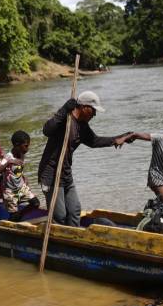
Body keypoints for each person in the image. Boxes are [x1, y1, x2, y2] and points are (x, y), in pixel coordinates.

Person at [38, 91, 132, 227]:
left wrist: (120, 137)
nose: (94, 114)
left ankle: (75, 239)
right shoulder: (66, 119)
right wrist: (64, 109)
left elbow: (94, 141)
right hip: (52, 174)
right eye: (93, 111)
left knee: (75, 210)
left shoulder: (82, 126)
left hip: (65, 173)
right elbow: (47, 130)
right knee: (60, 215)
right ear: (84, 107)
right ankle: (61, 242)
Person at [0, 130, 40, 222]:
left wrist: (24, 177)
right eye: (26, 146)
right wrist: (9, 162)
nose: (27, 148)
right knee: (14, 217)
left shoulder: (22, 154)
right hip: (10, 191)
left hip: (21, 188)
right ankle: (10, 226)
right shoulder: (8, 157)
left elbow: (17, 170)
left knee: (35, 203)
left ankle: (20, 214)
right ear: (17, 145)